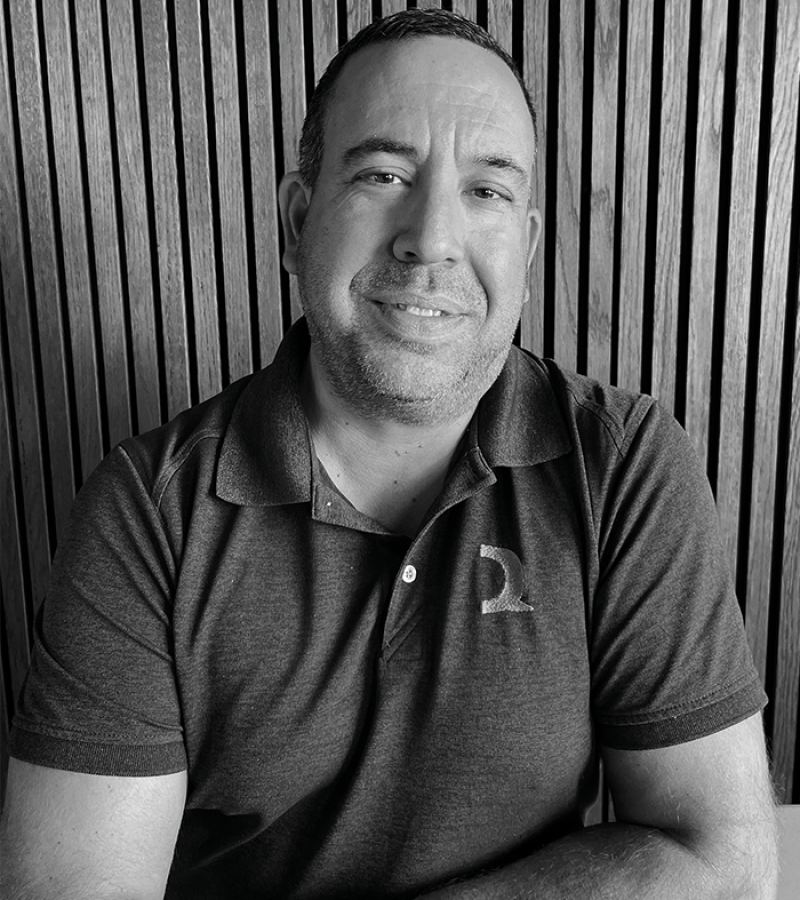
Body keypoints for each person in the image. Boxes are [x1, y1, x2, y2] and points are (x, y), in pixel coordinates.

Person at [0, 8, 778, 899]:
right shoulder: (148, 511)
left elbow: (724, 861)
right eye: (382, 174)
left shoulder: (623, 464)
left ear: (526, 247)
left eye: (486, 191)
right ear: (297, 221)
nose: (431, 238)